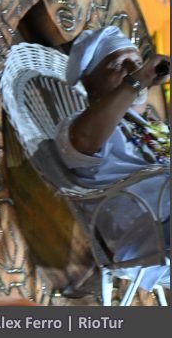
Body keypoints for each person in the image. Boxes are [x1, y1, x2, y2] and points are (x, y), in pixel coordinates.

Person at [54, 26, 170, 290]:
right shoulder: (77, 127)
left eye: (138, 63)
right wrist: (138, 79)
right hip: (144, 236)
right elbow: (84, 141)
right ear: (91, 86)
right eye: (119, 64)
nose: (133, 69)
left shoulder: (155, 128)